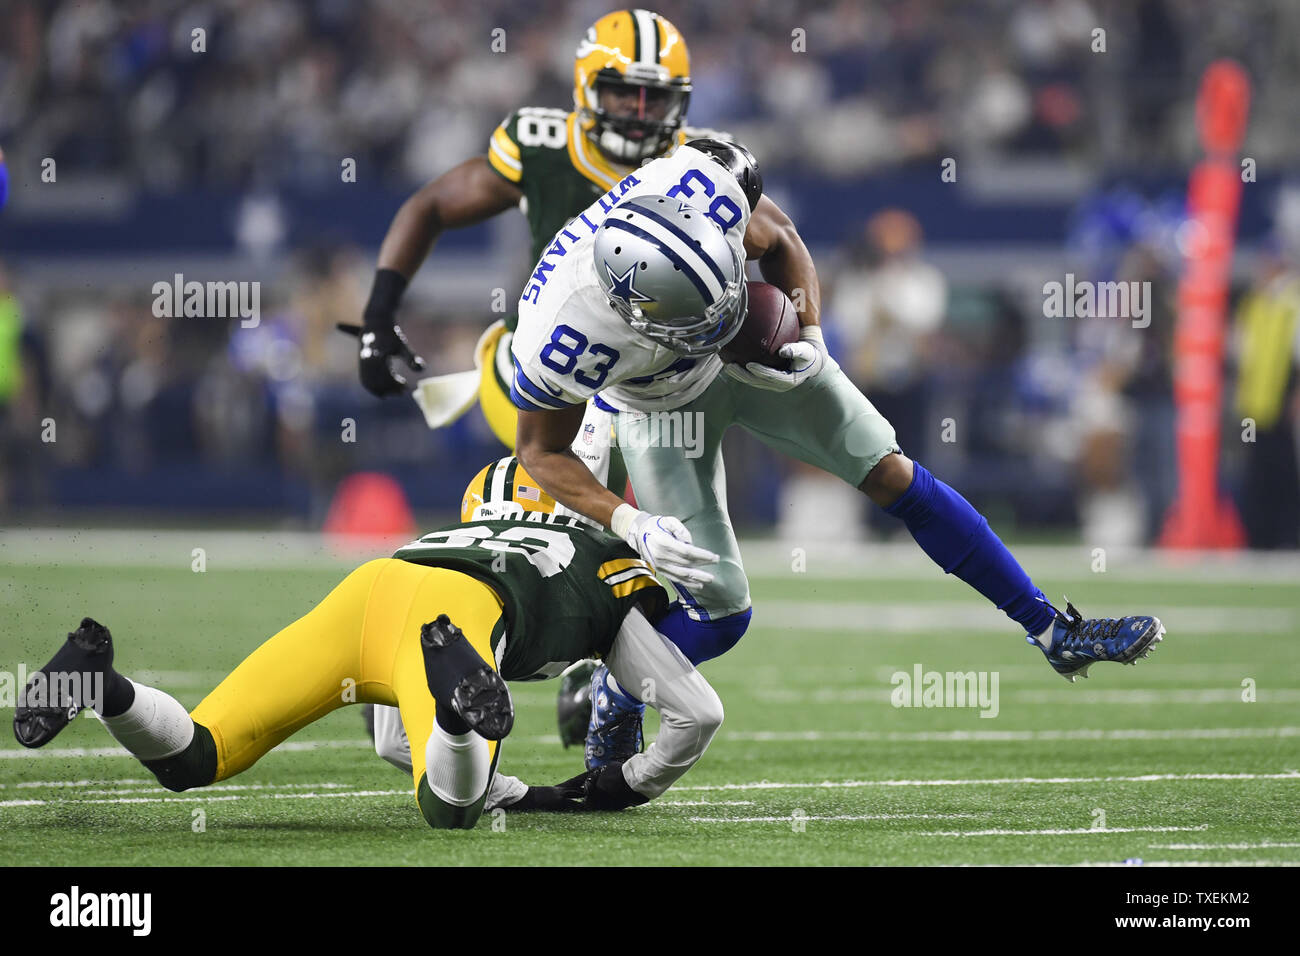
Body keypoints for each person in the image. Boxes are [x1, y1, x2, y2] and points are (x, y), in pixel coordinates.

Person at [508, 140, 1167, 768]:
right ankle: (617, 692)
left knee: (892, 471)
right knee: (721, 612)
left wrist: (814, 336)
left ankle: (1054, 631)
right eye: (702, 321)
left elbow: (786, 239)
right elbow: (539, 450)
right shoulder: (560, 327)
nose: (722, 323)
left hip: (752, 365)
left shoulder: (699, 186)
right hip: (654, 407)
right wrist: (631, 522)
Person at [12, 457, 725, 828]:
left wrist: (528, 793)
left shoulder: (457, 529)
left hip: (379, 584)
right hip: (464, 612)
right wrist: (624, 785)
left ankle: (102, 685)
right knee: (450, 811)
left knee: (198, 755)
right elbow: (698, 715)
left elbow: (389, 742)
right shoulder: (609, 559)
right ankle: (453, 707)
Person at [341, 9, 717, 450]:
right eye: (621, 93)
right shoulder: (546, 147)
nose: (638, 112)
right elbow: (431, 206)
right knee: (576, 487)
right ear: (587, 87)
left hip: (654, 377)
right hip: (546, 360)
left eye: (653, 98)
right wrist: (378, 316)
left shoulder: (702, 166)